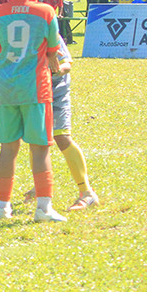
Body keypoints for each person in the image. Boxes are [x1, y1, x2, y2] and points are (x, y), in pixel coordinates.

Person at [0, 0, 65, 222]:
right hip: (37, 90)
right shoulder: (45, 12)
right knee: (40, 148)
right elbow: (53, 52)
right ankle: (43, 208)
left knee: (8, 150)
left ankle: (2, 208)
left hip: (7, 90)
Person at [23, 35, 99, 211]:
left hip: (56, 91)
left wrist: (53, 70)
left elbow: (67, 65)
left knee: (62, 137)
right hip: (33, 91)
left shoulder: (48, 31)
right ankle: (40, 185)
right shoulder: (18, 29)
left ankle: (87, 193)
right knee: (36, 139)